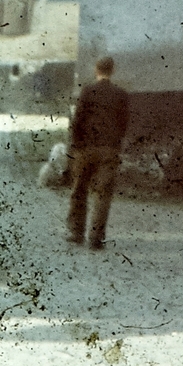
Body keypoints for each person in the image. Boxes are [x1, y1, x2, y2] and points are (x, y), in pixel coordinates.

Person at [66, 56, 130, 250]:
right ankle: (96, 237)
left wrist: (76, 145)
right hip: (109, 150)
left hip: (86, 149)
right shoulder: (121, 94)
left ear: (96, 70)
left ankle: (76, 233)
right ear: (113, 70)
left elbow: (77, 120)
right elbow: (123, 124)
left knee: (79, 190)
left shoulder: (87, 91)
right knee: (103, 194)